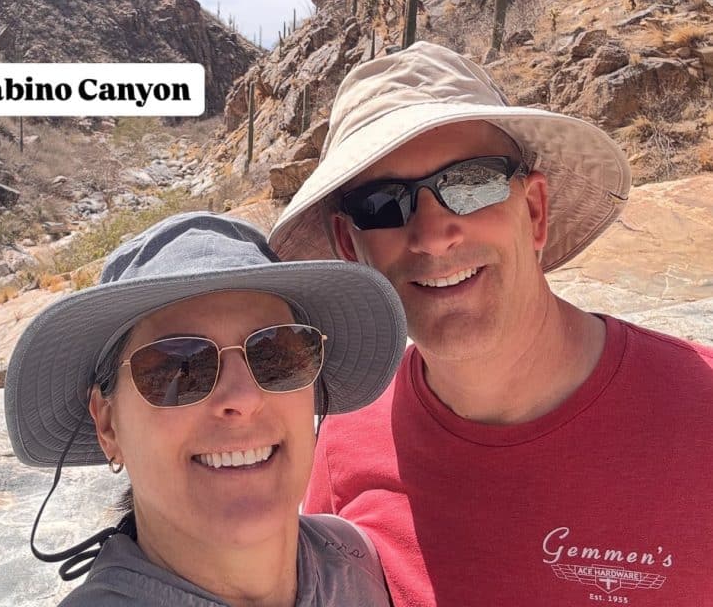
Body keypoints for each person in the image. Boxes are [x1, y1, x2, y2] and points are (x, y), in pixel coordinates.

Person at [269, 41, 713, 606]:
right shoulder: (344, 439)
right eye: (382, 204)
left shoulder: (702, 409)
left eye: (470, 183)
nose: (433, 235)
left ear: (533, 211)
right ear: (349, 247)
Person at [5, 211, 407, 606]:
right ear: (108, 425)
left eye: (275, 357)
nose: (243, 399)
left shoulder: (357, 562)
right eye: (181, 368)